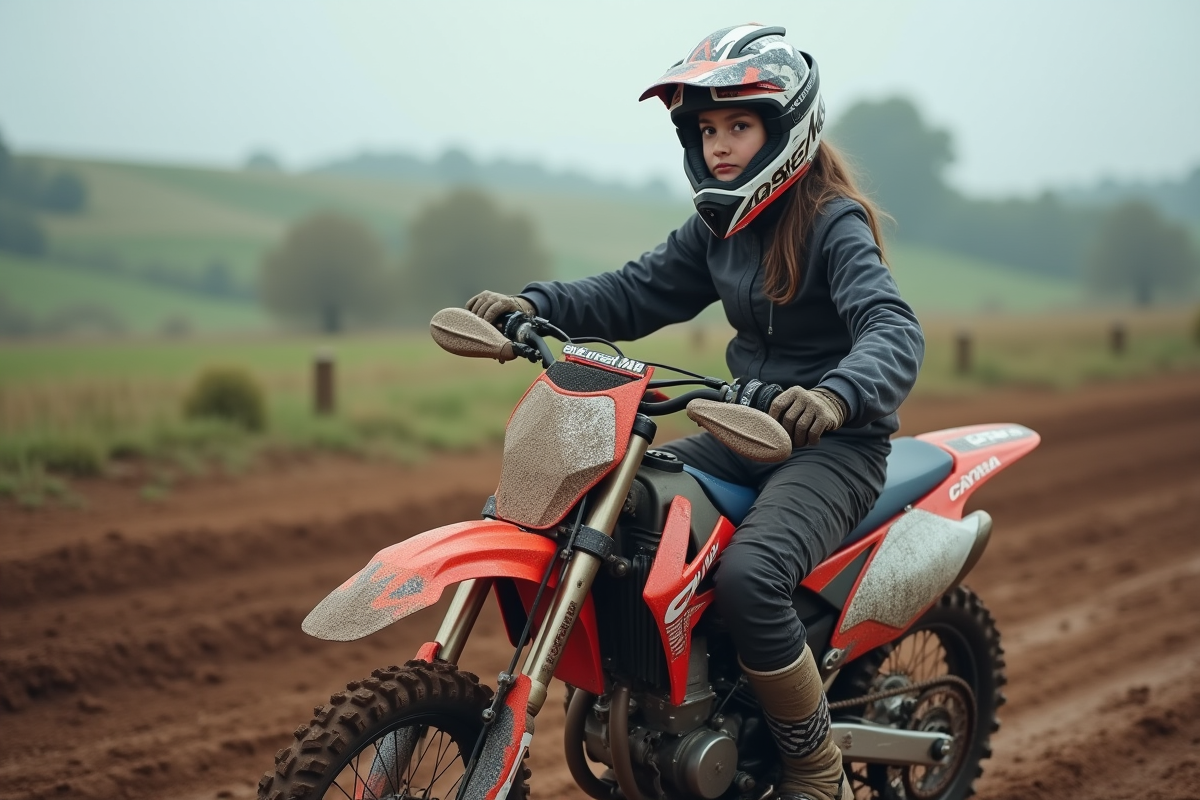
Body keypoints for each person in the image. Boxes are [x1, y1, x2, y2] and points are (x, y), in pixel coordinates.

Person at [467, 23, 924, 800]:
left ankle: (816, 768)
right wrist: (535, 305)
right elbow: (634, 291)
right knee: (614, 508)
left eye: (739, 125)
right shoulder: (720, 227)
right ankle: (658, 696)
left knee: (751, 578)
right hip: (742, 428)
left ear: (786, 127)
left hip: (832, 445)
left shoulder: (831, 221)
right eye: (707, 129)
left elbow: (893, 327)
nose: (719, 145)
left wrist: (833, 396)